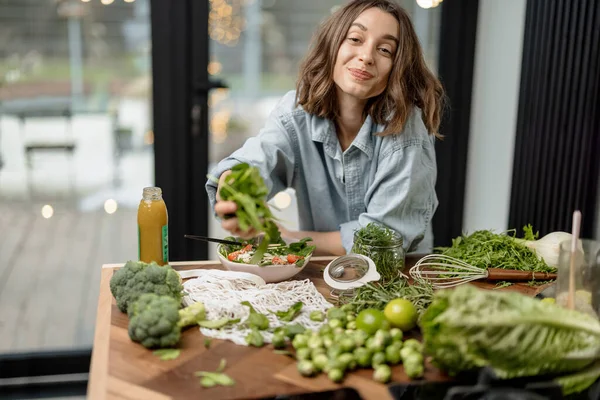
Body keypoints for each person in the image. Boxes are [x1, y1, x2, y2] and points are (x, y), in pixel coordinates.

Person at [206, 0, 445, 256]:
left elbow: (383, 241)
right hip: (321, 274)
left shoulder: (406, 130)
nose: (366, 56)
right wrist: (234, 187)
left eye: (385, 50)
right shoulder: (295, 112)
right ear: (333, 44)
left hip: (397, 280)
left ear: (397, 68)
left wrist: (289, 239)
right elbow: (259, 158)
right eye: (355, 39)